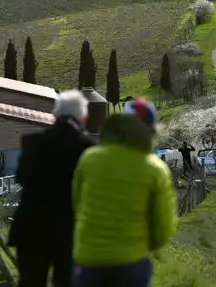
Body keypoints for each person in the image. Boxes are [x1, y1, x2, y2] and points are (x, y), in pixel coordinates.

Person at [73, 99, 178, 287]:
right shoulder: (155, 169)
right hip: (130, 262)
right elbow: (163, 226)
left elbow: (77, 204)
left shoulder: (89, 158)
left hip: (89, 259)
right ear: (148, 132)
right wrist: (147, 245)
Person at [9, 90, 94, 287]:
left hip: (31, 226)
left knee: (29, 282)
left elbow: (20, 177)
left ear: (55, 115)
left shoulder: (32, 141)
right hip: (68, 229)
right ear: (83, 118)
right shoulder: (87, 148)